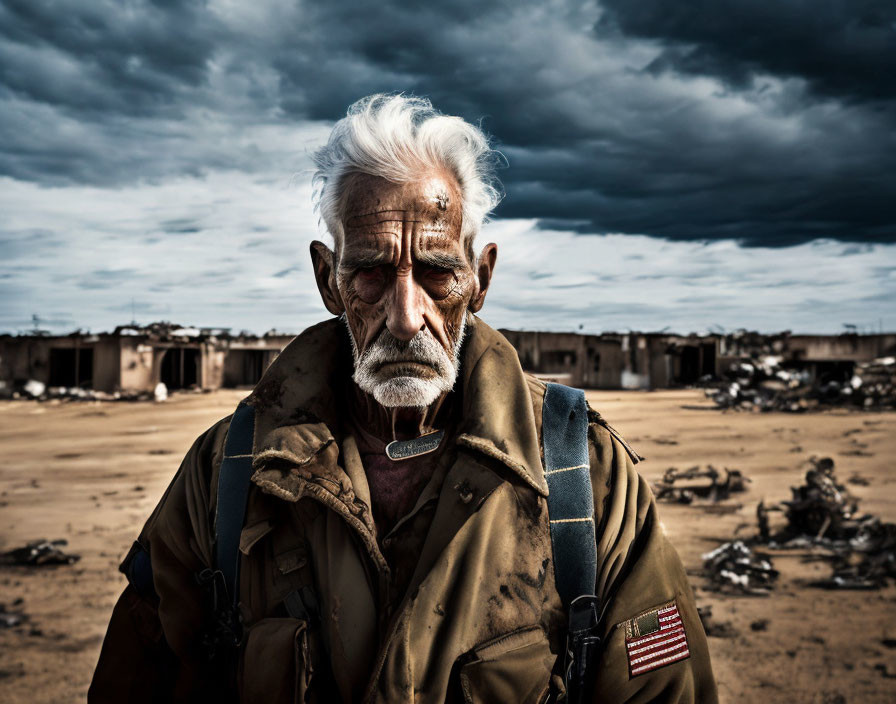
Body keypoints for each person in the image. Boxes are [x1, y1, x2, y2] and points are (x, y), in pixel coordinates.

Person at [89, 94, 717, 703]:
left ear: (480, 279)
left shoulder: (585, 475)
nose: (405, 316)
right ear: (327, 280)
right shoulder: (226, 473)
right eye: (371, 271)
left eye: (437, 272)